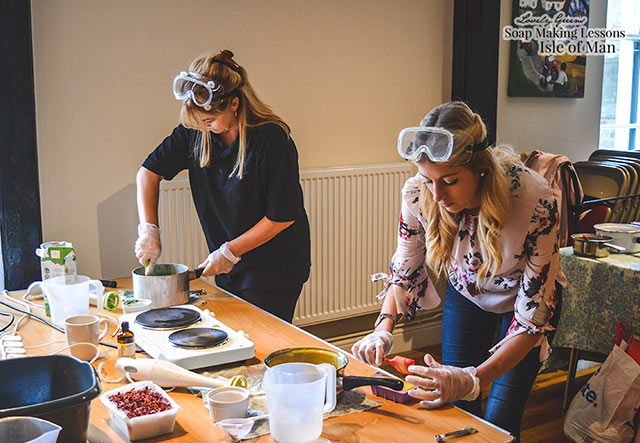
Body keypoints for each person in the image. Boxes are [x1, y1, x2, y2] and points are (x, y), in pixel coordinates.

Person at [351, 101, 564, 440]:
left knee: (499, 421)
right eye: (428, 179)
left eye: (449, 180)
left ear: (480, 168)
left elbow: (531, 316)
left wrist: (475, 378)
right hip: (468, 294)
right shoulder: (419, 194)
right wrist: (383, 327)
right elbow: (405, 268)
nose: (437, 194)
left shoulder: (535, 200)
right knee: (457, 412)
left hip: (525, 305)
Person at [135, 50, 310, 322]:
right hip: (230, 264)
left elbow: (282, 216)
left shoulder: (272, 139)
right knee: (237, 338)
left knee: (262, 341)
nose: (204, 128)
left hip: (275, 267)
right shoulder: (197, 132)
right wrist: (149, 230)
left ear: (234, 104)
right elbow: (148, 174)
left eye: (209, 121)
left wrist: (230, 251)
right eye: (198, 123)